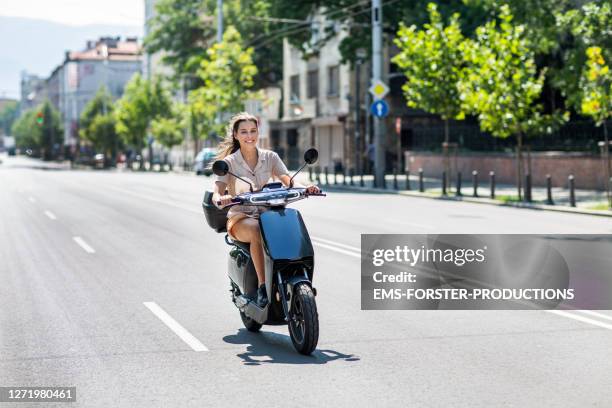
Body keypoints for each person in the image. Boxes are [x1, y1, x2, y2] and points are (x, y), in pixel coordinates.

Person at [212, 112, 320, 307]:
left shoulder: (270, 157)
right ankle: (263, 286)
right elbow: (216, 193)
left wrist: (305, 188)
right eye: (244, 132)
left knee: (290, 225)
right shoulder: (229, 163)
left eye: (253, 131)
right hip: (240, 218)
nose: (249, 136)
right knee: (256, 230)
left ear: (258, 132)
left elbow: (287, 179)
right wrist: (221, 198)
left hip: (268, 215)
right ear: (236, 135)